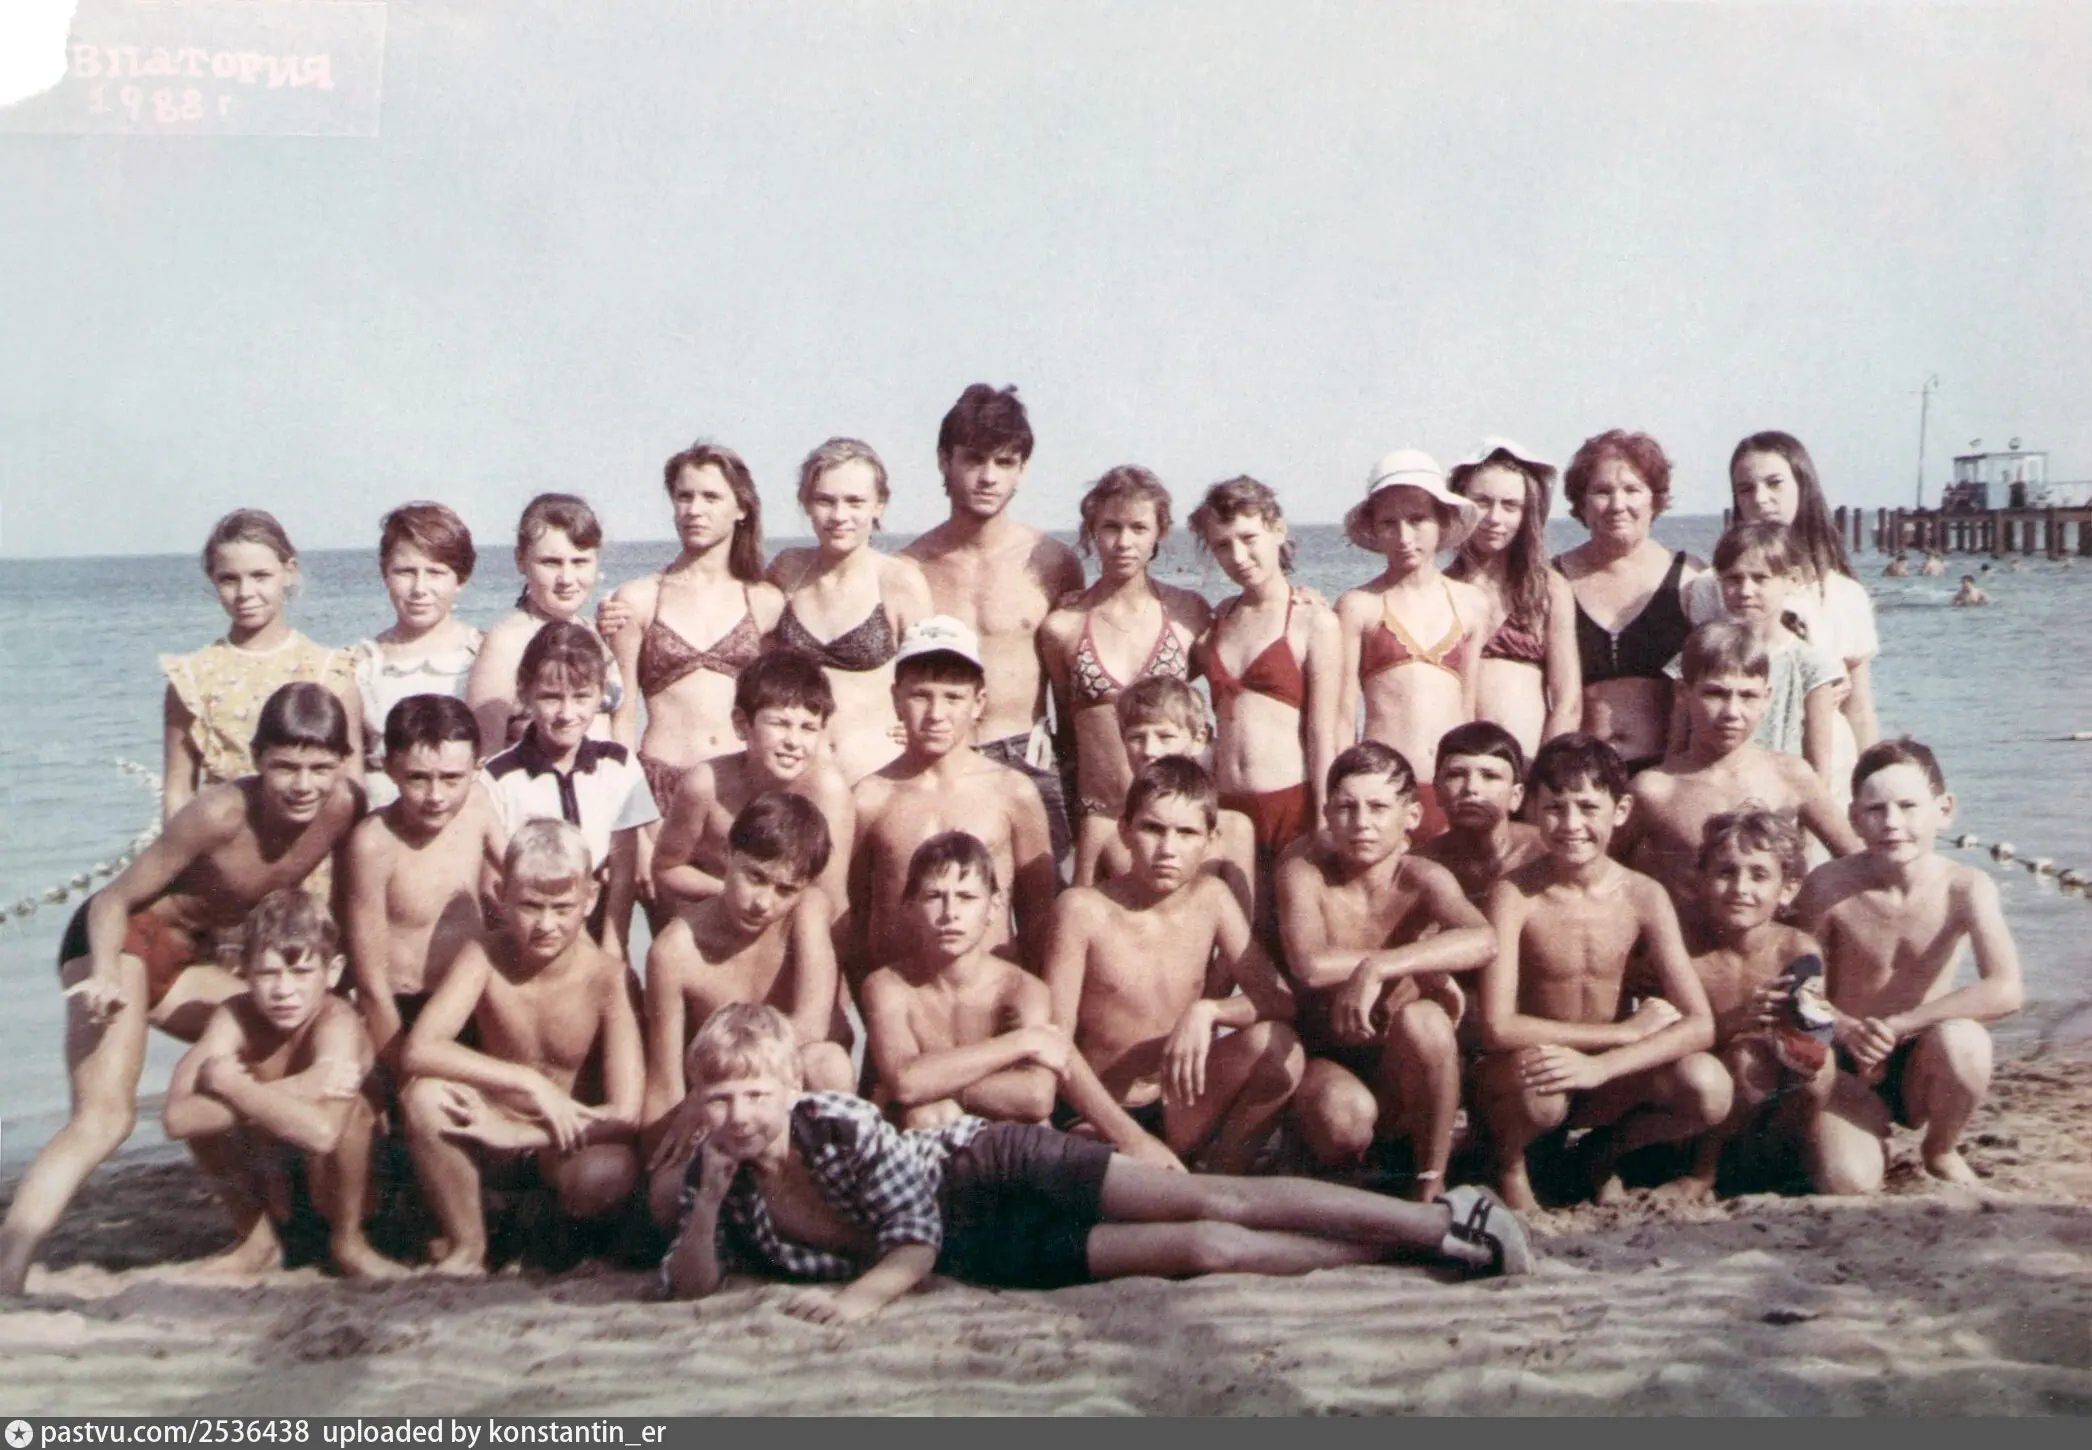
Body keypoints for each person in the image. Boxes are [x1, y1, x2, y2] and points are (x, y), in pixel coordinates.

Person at [656, 1003, 1531, 1321]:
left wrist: (857, 1304)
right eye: (719, 1099)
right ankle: (1412, 1251)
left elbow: (912, 1240)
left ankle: (1438, 1217)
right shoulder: (714, 1173)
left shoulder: (837, 1124)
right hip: (986, 1251)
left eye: (755, 1094)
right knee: (1203, 1250)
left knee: (1218, 1200)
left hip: (989, 1170)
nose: (738, 1115)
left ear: (788, 1088)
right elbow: (691, 1285)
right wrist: (709, 1208)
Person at [0, 683, 363, 1295]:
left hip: (190, 959)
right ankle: (7, 1272)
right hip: (118, 941)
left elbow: (350, 905)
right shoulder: (219, 814)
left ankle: (265, 1234)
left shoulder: (343, 807)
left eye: (320, 768)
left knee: (284, 1042)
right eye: (285, 767)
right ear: (257, 758)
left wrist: (344, 989)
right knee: (104, 1119)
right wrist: (106, 973)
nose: (303, 785)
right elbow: (113, 899)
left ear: (343, 763)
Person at [1475, 734, 1730, 1210]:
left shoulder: (1643, 895)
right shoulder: (1514, 895)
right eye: (1555, 808)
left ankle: (1603, 1152)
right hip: (1530, 1071)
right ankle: (1508, 1164)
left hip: (1602, 1077)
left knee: (1708, 1087)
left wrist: (1602, 1066)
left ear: (1621, 810)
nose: (1572, 824)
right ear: (1532, 810)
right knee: (1544, 1090)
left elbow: (1701, 1024)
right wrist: (1621, 1035)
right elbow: (1496, 1026)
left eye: (1589, 807)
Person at [399, 819, 645, 1275]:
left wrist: (523, 1135)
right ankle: (468, 1247)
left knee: (608, 1171)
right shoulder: (483, 955)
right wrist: (526, 1081)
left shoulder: (609, 978)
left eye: (562, 908)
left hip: (566, 1142)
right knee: (425, 1098)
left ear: (590, 898)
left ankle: (551, 1238)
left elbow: (626, 1113)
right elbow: (420, 1049)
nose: (546, 925)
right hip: (492, 1126)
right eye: (531, 906)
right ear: (502, 895)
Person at [1044, 756, 1301, 1174]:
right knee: (1121, 1189)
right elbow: (1055, 1042)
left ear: (1210, 840)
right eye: (1153, 829)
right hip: (1097, 1111)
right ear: (1125, 831)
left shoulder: (1212, 898)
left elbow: (1279, 999)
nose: (1168, 849)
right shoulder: (1082, 910)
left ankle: (1219, 1179)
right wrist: (1132, 1138)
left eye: (1186, 833)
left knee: (1281, 1050)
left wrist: (1210, 1011)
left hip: (1177, 1102)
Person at [859, 831, 1177, 1168]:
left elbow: (1037, 1096)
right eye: (934, 896)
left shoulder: (1020, 988)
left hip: (1009, 1149)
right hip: (925, 1154)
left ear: (994, 906)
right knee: (928, 1116)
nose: (950, 913)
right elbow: (907, 1083)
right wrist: (1022, 1042)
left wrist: (936, 1083)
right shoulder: (887, 986)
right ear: (908, 905)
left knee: (946, 1113)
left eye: (966, 897)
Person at [1790, 740, 2024, 1192]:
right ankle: (1863, 1127)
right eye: (1875, 809)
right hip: (1846, 1061)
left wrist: (1901, 1025)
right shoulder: (1828, 887)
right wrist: (1846, 1030)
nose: (1892, 823)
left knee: (1965, 1041)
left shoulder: (1965, 888)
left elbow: (2005, 988)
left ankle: (1940, 1149)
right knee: (1845, 1182)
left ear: (1944, 810)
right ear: (1854, 818)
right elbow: (1800, 988)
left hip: (1918, 1057)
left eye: (1908, 806)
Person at [1273, 744, 1494, 1196]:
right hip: (1329, 1058)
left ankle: (1431, 1182)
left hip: (1399, 1064)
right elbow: (1310, 965)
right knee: (1344, 1119)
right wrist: (1396, 963)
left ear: (1411, 816)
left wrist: (1381, 965)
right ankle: (1345, 1177)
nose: (1361, 822)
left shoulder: (1421, 877)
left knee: (1427, 1020)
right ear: (1327, 814)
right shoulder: (1303, 871)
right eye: (1346, 807)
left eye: (1378, 807)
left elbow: (1484, 939)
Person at [161, 889, 404, 1279]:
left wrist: (237, 1088)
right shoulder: (234, 1016)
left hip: (350, 1191)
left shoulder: (337, 1022)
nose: (283, 991)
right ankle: (258, 1242)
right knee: (208, 1107)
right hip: (281, 1182)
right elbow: (177, 1119)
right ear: (243, 970)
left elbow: (323, 1133)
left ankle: (349, 1242)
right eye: (267, 973)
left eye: (301, 973)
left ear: (333, 971)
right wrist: (298, 1087)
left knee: (354, 1110)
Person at [901, 384, 1085, 865]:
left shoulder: (1052, 561)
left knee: (1044, 899)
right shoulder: (908, 568)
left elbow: (1072, 683)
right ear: (944, 460)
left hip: (1029, 757)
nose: (988, 477)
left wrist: (1072, 767)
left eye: (1005, 462)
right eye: (974, 459)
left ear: (1022, 470)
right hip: (937, 758)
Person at [846, 617, 1056, 983]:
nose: (936, 714)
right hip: (900, 1002)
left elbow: (1039, 917)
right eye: (920, 695)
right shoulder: (869, 798)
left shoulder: (1012, 792)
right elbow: (851, 918)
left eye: (953, 697)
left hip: (989, 998)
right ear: (896, 699)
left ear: (978, 703)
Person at [642, 793, 855, 1146]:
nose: (763, 903)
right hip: (719, 1109)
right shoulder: (675, 951)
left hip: (782, 1098)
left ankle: (838, 1177)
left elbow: (811, 1026)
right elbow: (664, 1083)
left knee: (827, 1062)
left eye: (785, 890)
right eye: (755, 877)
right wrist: (659, 1157)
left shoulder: (807, 912)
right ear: (728, 854)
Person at [1620, 621, 1860, 923]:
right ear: (1683, 692)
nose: (1731, 712)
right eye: (1715, 693)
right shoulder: (1654, 789)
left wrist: (1818, 920)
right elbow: (1602, 876)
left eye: (1747, 696)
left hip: (1772, 943)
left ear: (1766, 698)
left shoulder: (1790, 776)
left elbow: (1859, 860)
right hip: (1687, 946)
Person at [603, 441, 784, 818]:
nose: (694, 510)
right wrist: (628, 809)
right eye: (684, 496)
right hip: (659, 782)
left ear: (742, 509)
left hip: (740, 786)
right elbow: (622, 717)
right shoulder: (639, 599)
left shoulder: (765, 602)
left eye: (711, 497)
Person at [1693, 433, 1881, 791]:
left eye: (1774, 483)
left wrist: (1872, 784)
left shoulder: (1842, 594)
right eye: (1746, 489)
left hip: (1829, 770)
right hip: (1738, 770)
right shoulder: (1713, 586)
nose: (1761, 499)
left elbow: (1858, 708)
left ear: (1802, 485)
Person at [1669, 811, 1832, 1202]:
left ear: (1787, 889)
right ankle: (1703, 1169)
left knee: (1819, 1065)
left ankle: (1788, 1155)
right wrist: (1734, 1023)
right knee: (1743, 1058)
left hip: (1770, 1093)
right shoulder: (1687, 953)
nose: (1740, 888)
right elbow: (1671, 1036)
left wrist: (1793, 1026)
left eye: (1759, 875)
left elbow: (1814, 1031)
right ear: (1700, 879)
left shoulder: (1796, 949)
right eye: (1726, 872)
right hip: (1701, 1096)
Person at [161, 509, 361, 821]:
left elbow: (350, 788)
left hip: (313, 844)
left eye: (260, 576)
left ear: (289, 572)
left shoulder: (328, 671)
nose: (245, 593)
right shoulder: (191, 680)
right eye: (229, 579)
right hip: (219, 844)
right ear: (213, 581)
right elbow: (178, 793)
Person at [1039, 466, 1211, 827]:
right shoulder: (1063, 627)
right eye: (1111, 527)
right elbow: (1067, 731)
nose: (1123, 542)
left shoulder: (1188, 612)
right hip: (1099, 816)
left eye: (1139, 528)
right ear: (1092, 530)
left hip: (1172, 819)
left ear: (1160, 532)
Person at [343, 694, 506, 1072]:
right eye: (418, 778)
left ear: (477, 768)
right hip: (405, 1010)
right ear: (389, 768)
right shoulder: (374, 843)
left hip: (470, 1000)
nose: (436, 796)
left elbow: (524, 876)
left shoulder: (477, 804)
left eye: (451, 778)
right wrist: (405, 1072)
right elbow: (370, 982)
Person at [480, 623, 659, 964]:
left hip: (599, 921)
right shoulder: (497, 778)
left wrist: (614, 949)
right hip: (531, 932)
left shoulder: (619, 764)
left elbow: (622, 873)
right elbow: (493, 886)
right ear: (525, 693)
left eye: (581, 697)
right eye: (551, 697)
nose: (566, 714)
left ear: (600, 693)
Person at [1187, 476, 1342, 866]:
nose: (1238, 557)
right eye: (1222, 545)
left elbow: (1323, 733)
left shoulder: (1313, 621)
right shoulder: (1218, 621)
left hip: (1291, 802)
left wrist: (1325, 819)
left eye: (1248, 538)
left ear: (1278, 530)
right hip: (1226, 806)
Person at [1334, 449, 1488, 838]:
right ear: (1374, 529)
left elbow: (1468, 708)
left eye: (1417, 520)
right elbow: (1342, 716)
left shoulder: (1471, 604)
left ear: (1443, 521)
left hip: (1450, 788)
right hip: (1382, 790)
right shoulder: (1359, 606)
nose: (1404, 537)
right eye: (1389, 523)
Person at [767, 438, 935, 782]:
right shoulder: (788, 570)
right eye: (825, 500)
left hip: (878, 777)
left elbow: (932, 681)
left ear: (879, 505)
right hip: (798, 779)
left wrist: (920, 729)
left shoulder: (899, 581)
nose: (839, 516)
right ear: (806, 503)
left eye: (855, 501)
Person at [649, 649, 854, 916]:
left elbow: (830, 899)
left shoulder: (827, 792)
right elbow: (667, 868)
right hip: (721, 916)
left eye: (808, 728)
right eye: (780, 724)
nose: (793, 741)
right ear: (741, 724)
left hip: (793, 926)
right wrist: (733, 894)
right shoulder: (707, 784)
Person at [1552, 431, 1705, 774]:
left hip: (1667, 773)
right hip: (1583, 777)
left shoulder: (1692, 578)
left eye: (1632, 490)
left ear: (1655, 499)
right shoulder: (1553, 580)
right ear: (1581, 502)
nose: (1617, 505)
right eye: (1602, 491)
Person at [1071, 676, 1256, 919]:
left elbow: (1244, 925)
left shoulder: (1233, 827)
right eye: (1137, 737)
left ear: (1199, 739)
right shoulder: (1101, 827)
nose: (1150, 750)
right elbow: (1077, 915)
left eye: (1165, 737)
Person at [1677, 524, 1845, 787]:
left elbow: (1819, 769)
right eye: (1733, 579)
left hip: (1779, 799)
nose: (1745, 590)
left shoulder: (1811, 664)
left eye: (1760, 578)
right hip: (1707, 791)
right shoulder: (1697, 654)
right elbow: (1676, 749)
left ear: (1792, 580)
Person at [1445, 439, 1582, 760]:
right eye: (1482, 502)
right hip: (1460, 765)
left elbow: (1567, 701)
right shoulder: (1443, 588)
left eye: (1510, 505)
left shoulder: (1549, 589)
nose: (1494, 517)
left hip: (1531, 762)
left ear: (1528, 513)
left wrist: (1547, 773)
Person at [466, 493, 621, 759]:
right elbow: (485, 755)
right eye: (551, 562)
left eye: (580, 562)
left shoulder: (596, 632)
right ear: (520, 560)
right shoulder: (507, 641)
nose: (567, 578)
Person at [347, 503, 484, 803]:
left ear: (460, 579)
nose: (419, 588)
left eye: (435, 572)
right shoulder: (363, 664)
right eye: (405, 572)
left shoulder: (482, 656)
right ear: (385, 574)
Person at [1414, 721, 1546, 908]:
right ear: (1437, 791)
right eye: (1456, 774)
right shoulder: (1418, 866)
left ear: (1516, 796)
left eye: (1490, 776)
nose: (1471, 788)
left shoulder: (1548, 852)